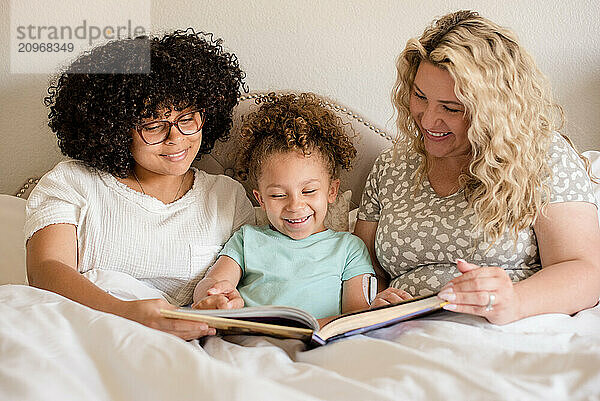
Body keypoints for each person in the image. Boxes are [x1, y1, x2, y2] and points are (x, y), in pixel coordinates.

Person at [354, 10, 600, 325]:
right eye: (420, 96)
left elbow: (584, 271)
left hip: (505, 332)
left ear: (494, 111)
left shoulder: (542, 156)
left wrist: (514, 300)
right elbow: (360, 269)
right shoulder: (392, 165)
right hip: (404, 335)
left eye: (451, 108)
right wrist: (375, 300)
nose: (429, 120)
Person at [25, 30, 254, 340]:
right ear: (117, 129)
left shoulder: (228, 197)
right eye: (153, 125)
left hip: (179, 345)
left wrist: (221, 302)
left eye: (187, 118)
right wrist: (128, 314)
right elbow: (46, 270)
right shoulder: (72, 182)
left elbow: (238, 286)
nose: (176, 138)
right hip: (76, 333)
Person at [192, 94, 375, 323]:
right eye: (278, 195)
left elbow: (356, 315)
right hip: (252, 340)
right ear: (261, 199)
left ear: (332, 191)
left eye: (308, 191)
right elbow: (211, 283)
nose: (295, 205)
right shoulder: (246, 239)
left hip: (318, 343)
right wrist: (214, 296)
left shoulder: (349, 248)